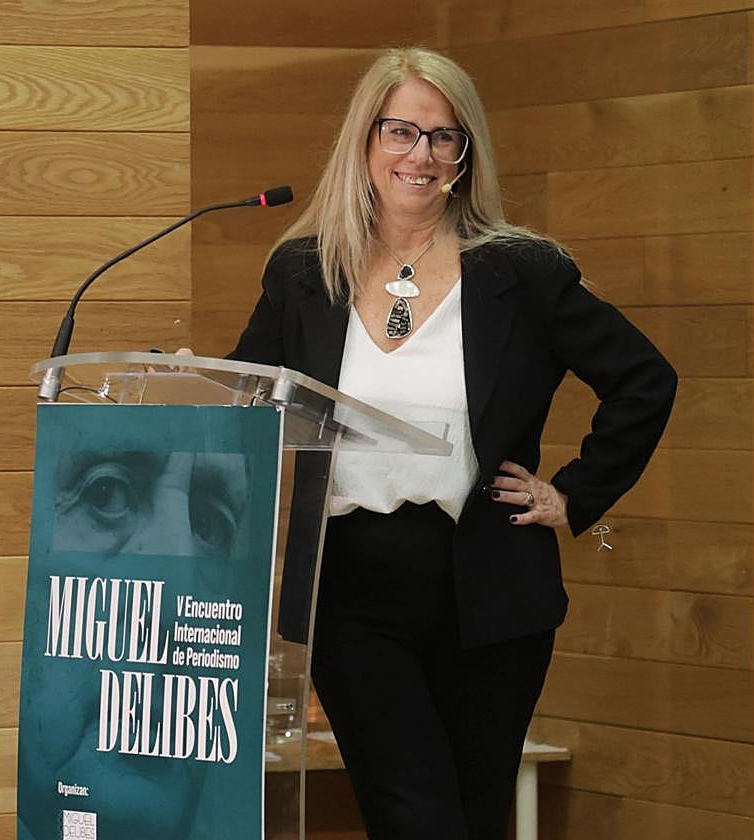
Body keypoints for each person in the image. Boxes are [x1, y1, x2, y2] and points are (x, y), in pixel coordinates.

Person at [227, 46, 677, 839]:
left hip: (490, 588)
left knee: (472, 818)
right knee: (415, 817)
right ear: (366, 140)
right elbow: (248, 402)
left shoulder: (523, 272)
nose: (422, 155)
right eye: (401, 131)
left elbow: (645, 379)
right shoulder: (304, 272)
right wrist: (192, 388)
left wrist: (574, 494)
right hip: (351, 587)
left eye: (444, 137)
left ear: (466, 154)